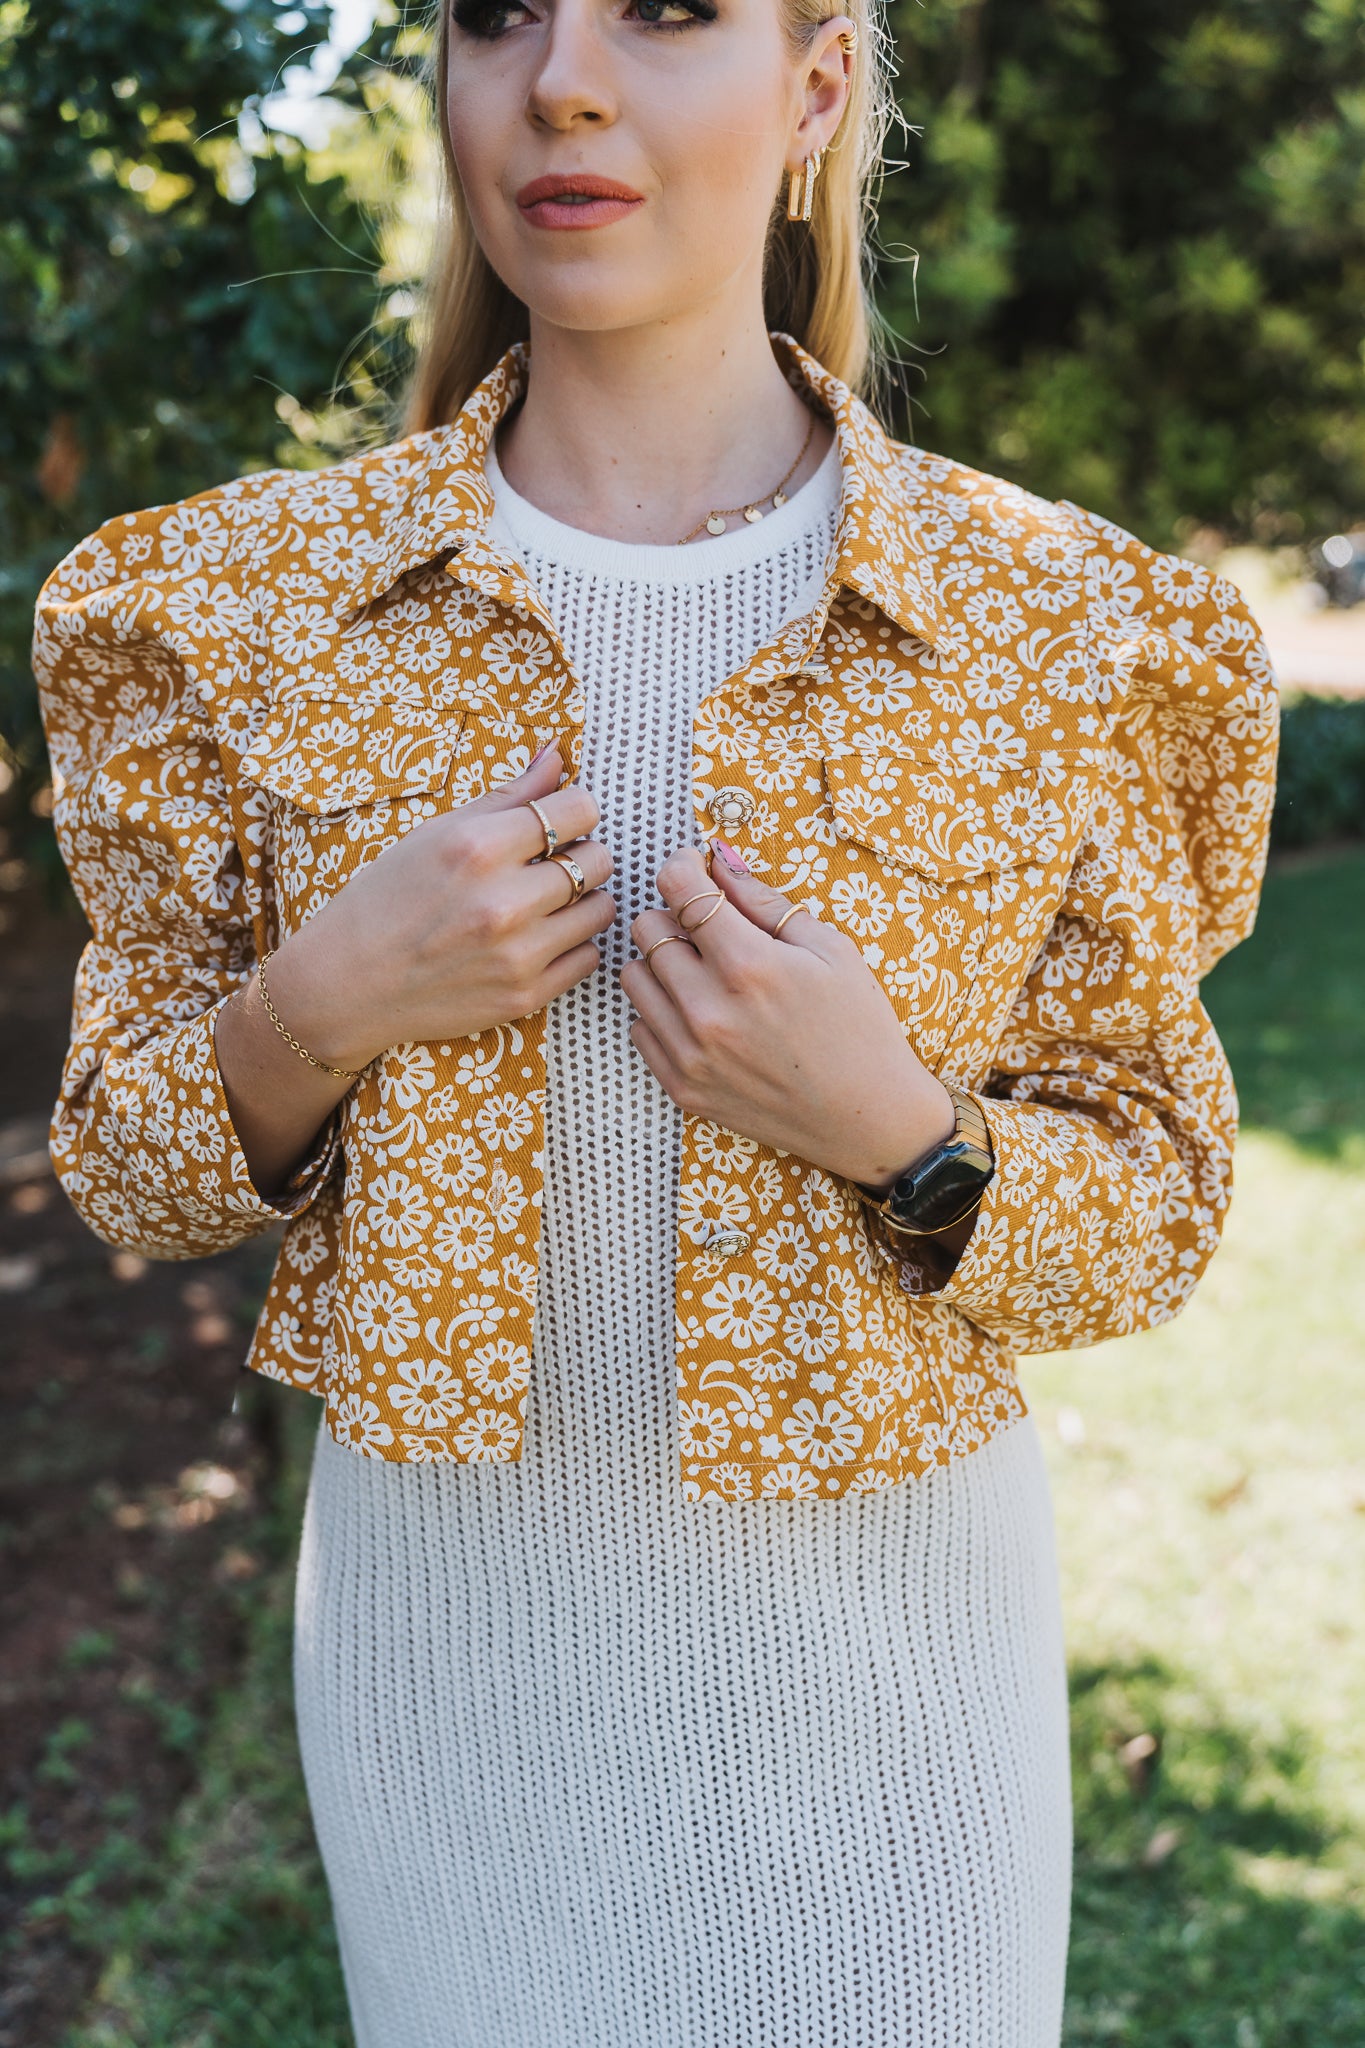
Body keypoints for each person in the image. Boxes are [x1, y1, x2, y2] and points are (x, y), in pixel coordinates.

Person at [32, 0, 1278, 2041]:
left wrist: (901, 1131)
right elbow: (120, 1166)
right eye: (496, 14)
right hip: (453, 1692)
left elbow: (1151, 1191)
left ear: (812, 91)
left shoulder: (1058, 631)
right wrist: (319, 1003)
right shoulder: (232, 613)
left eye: (668, 14)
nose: (564, 81)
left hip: (894, 1710)